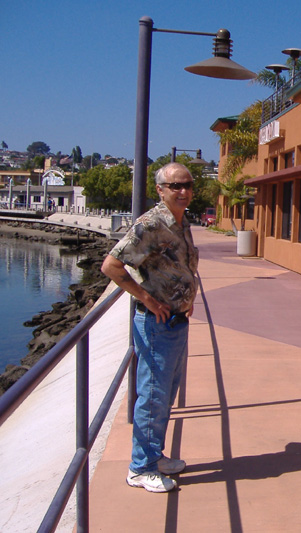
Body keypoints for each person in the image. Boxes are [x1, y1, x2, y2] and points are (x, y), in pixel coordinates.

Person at [101, 162, 199, 493]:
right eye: (176, 186)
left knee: (165, 394)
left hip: (177, 321)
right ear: (160, 189)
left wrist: (186, 297)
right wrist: (147, 298)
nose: (183, 191)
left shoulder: (181, 223)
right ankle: (140, 467)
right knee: (153, 396)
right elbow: (112, 266)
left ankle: (153, 456)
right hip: (156, 323)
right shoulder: (151, 224)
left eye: (187, 184)